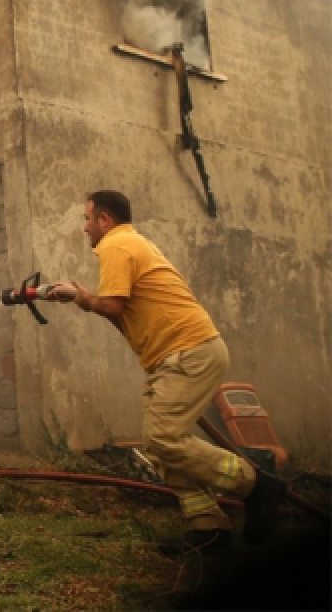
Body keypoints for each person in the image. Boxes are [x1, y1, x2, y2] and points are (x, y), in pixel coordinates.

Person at [47, 190, 287, 555]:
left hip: (188, 352)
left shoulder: (116, 245)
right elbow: (121, 314)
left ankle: (256, 485)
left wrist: (80, 298)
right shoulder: (132, 243)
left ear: (105, 219)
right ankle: (207, 528)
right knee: (161, 448)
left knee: (164, 440)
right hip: (176, 356)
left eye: (87, 219)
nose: (84, 228)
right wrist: (81, 296)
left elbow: (111, 305)